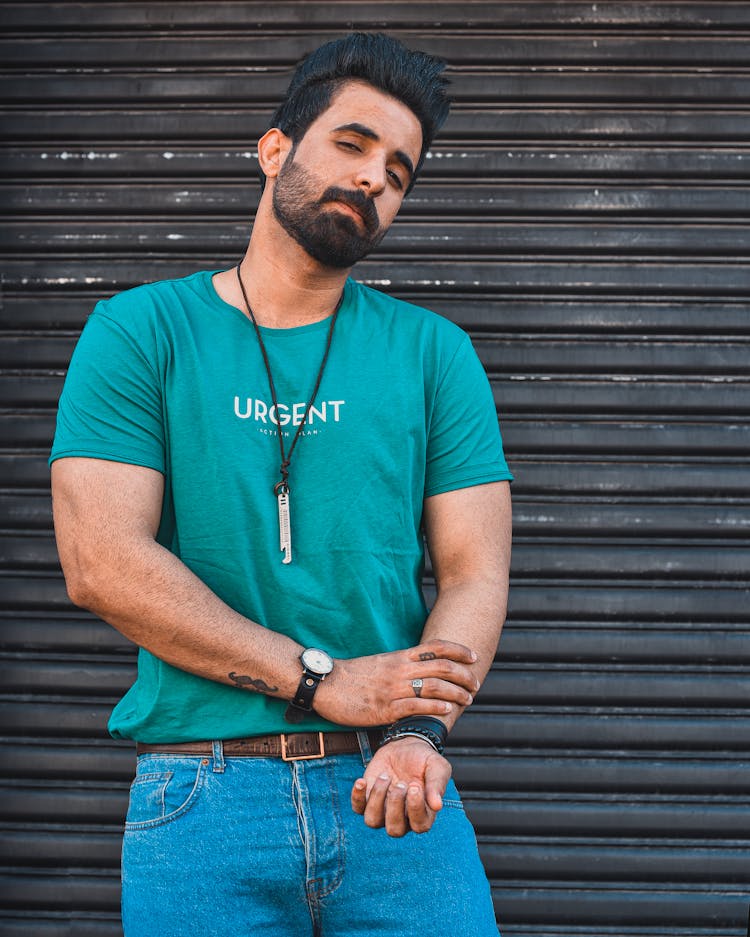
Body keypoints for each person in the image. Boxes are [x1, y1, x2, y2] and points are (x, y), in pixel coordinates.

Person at [50, 32, 513, 937]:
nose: (375, 177)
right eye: (352, 143)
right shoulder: (142, 331)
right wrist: (319, 679)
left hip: (394, 790)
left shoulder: (433, 354)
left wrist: (420, 733)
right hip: (201, 796)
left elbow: (474, 574)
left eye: (399, 170)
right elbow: (101, 562)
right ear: (274, 150)